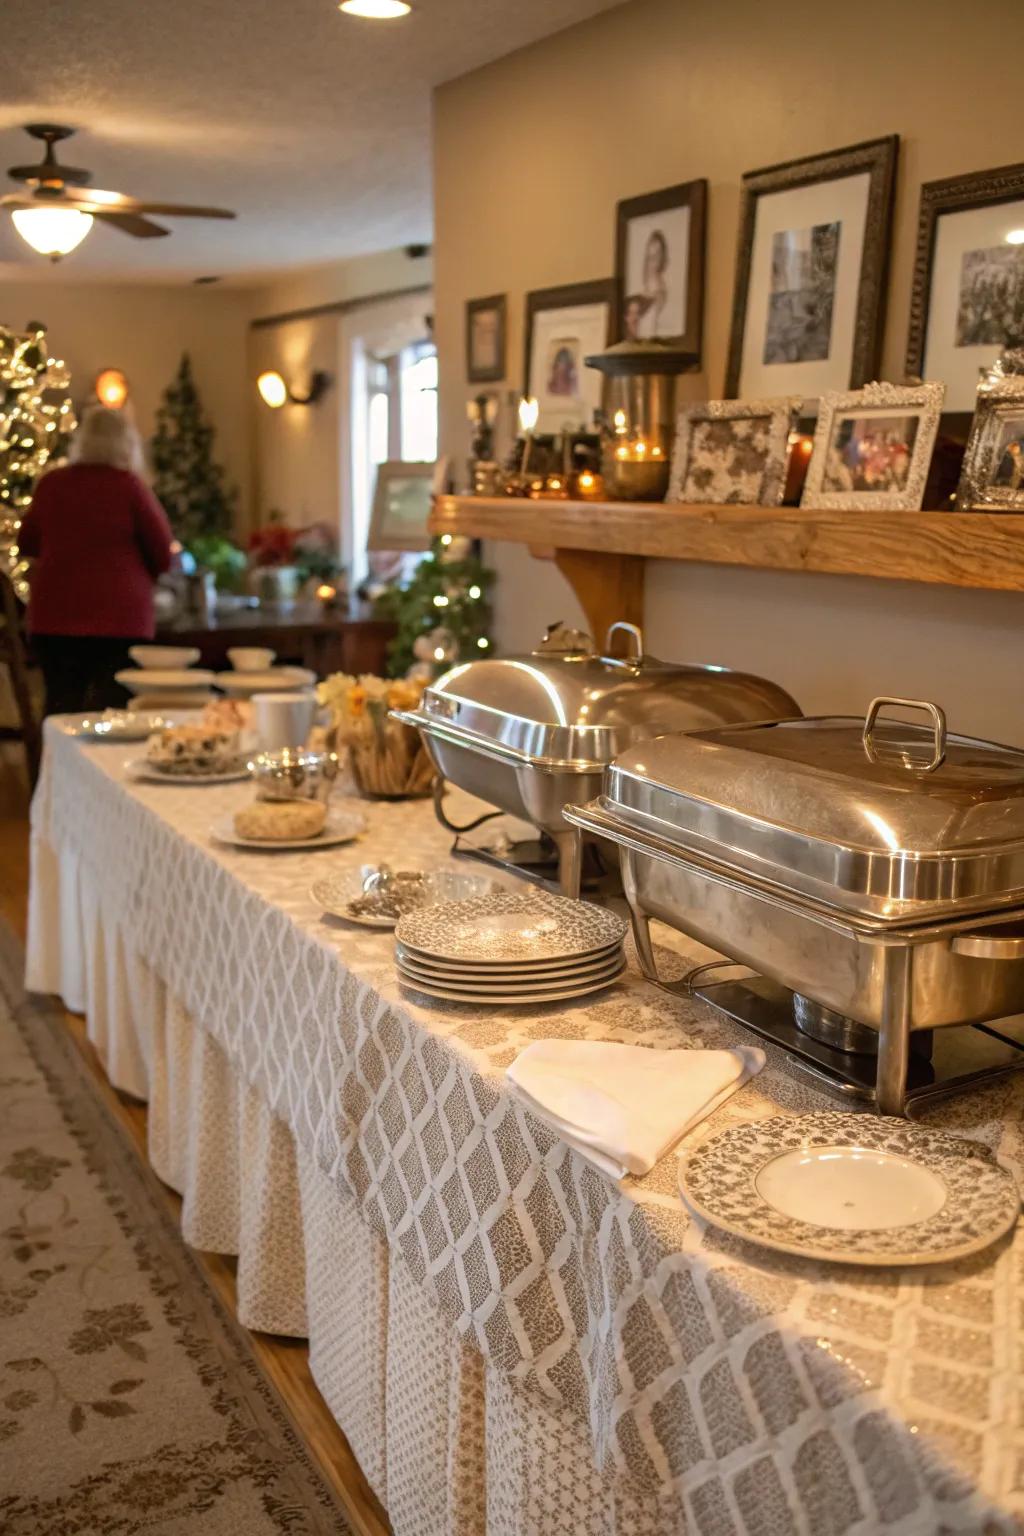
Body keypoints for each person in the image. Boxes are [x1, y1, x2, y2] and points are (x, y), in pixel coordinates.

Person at [18, 405, 175, 716]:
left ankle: (56, 764)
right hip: (120, 622)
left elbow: (27, 543)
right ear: (128, 444)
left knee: (61, 707)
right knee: (112, 712)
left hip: (55, 619)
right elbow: (162, 553)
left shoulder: (52, 484)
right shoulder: (129, 486)